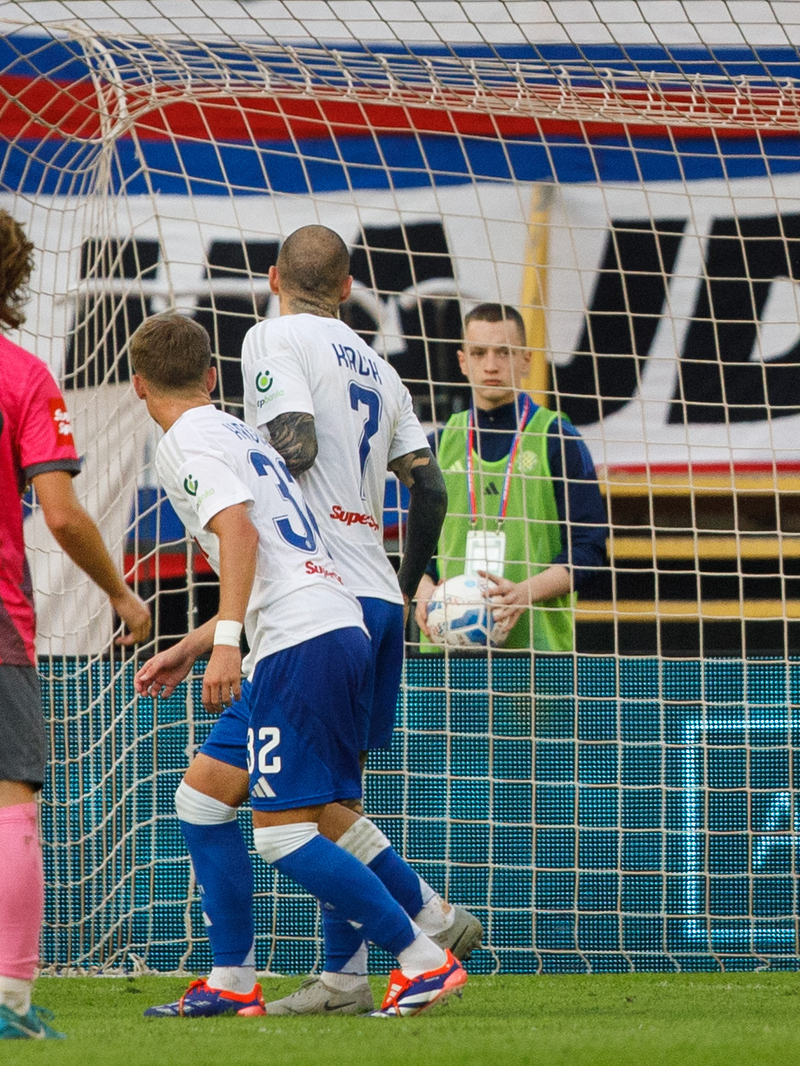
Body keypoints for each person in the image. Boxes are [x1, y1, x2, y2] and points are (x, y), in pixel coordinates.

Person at [128, 314, 465, 1018]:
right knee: (204, 797)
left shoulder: (182, 442)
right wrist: (202, 644)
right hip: (321, 622)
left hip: (298, 639)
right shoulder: (239, 432)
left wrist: (225, 644)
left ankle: (423, 955)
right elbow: (273, 547)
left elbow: (241, 532)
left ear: (137, 385)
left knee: (285, 830)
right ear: (213, 378)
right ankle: (232, 980)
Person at [237, 225, 478, 1014]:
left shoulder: (271, 336)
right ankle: (348, 974)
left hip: (316, 593)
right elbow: (432, 491)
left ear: (275, 278)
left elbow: (294, 447)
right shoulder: (380, 365)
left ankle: (419, 929)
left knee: (291, 815)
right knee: (337, 797)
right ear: (347, 289)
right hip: (375, 591)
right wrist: (407, 588)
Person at [0, 206, 152, 1039]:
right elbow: (65, 515)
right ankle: (12, 1008)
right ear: (14, 276)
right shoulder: (22, 374)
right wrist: (120, 593)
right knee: (8, 815)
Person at [413, 303, 606, 651]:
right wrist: (423, 586)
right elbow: (419, 548)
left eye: (504, 352)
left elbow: (590, 550)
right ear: (462, 361)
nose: (491, 365)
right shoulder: (438, 446)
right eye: (479, 352)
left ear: (526, 360)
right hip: (446, 653)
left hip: (537, 657)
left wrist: (523, 593)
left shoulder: (558, 441)